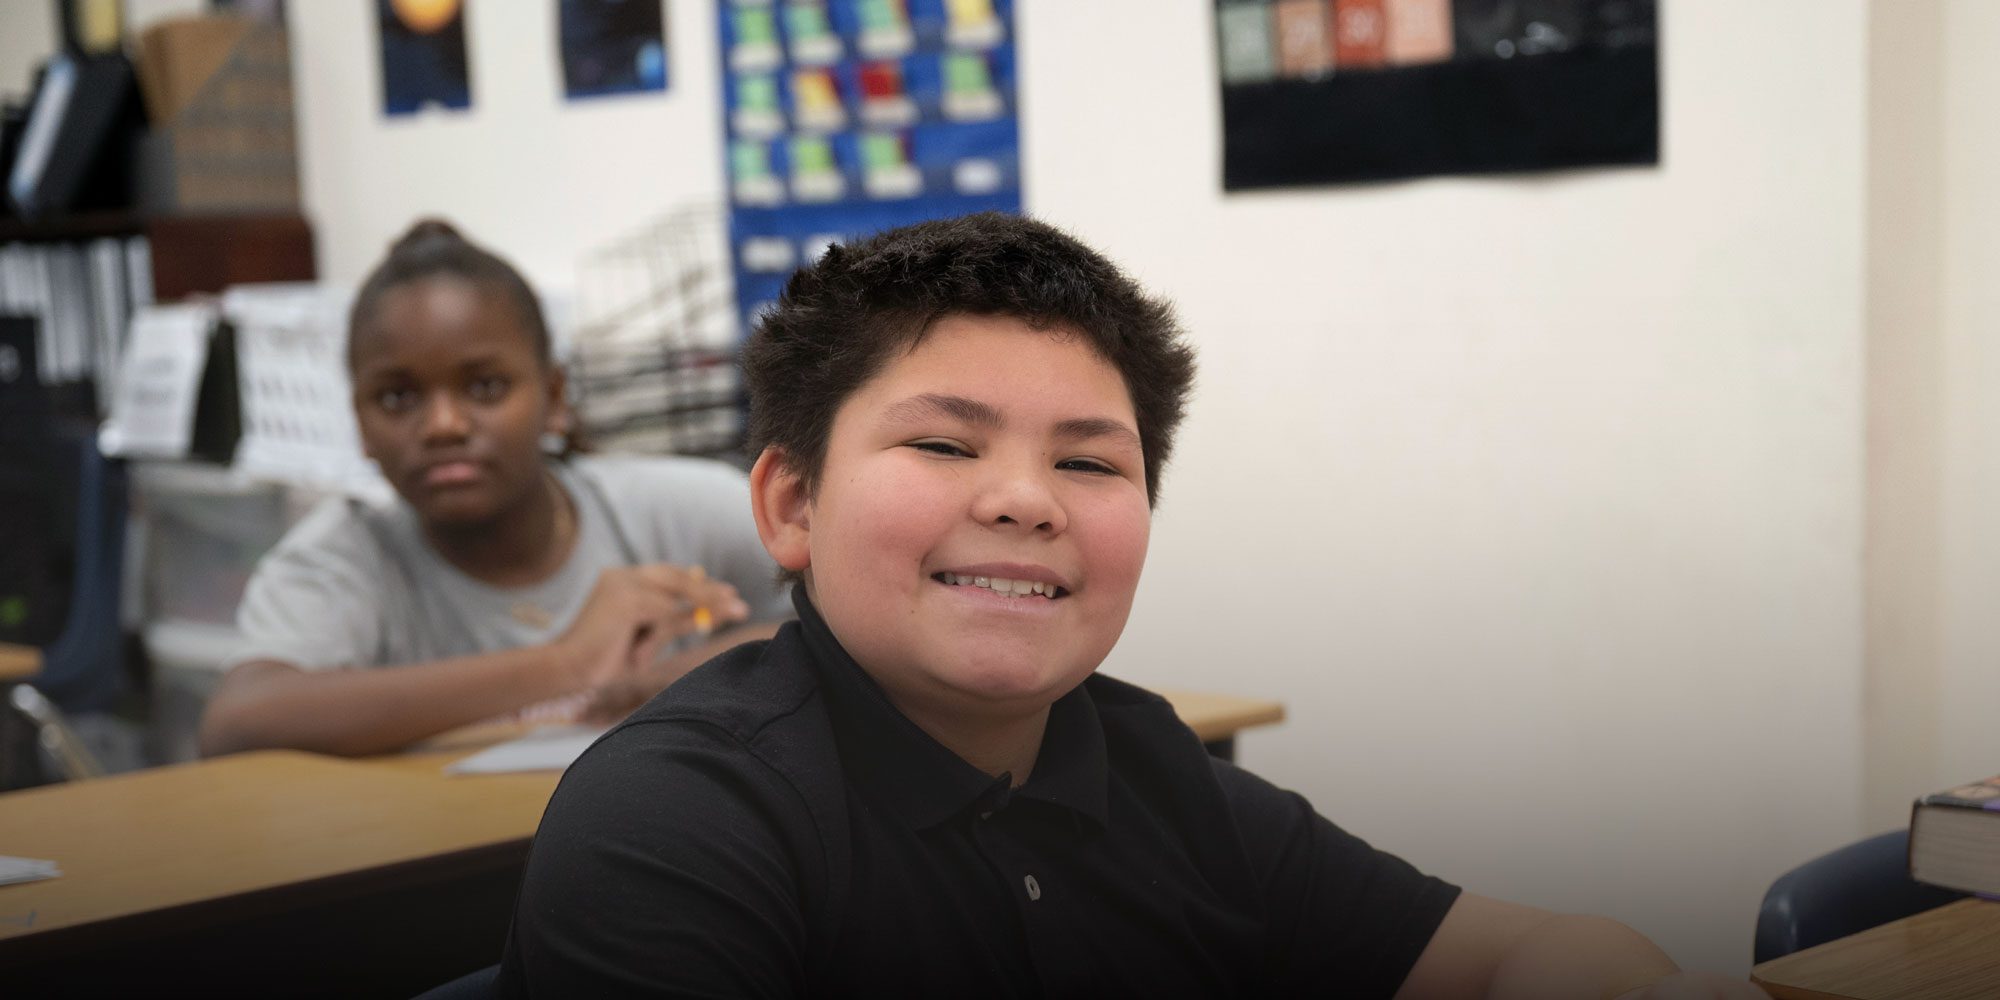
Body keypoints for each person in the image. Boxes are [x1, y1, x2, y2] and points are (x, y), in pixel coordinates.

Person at [497, 213, 1766, 998]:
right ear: (788, 507)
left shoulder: (1151, 768)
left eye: (1091, 461)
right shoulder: (676, 822)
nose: (1025, 500)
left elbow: (1513, 951)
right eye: (943, 445)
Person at [197, 221, 790, 758]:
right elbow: (239, 721)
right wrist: (567, 663)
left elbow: (843, 620)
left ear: (554, 398)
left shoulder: (675, 510)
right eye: (398, 398)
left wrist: (694, 673)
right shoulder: (343, 558)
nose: (443, 426)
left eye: (484, 387)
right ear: (359, 424)